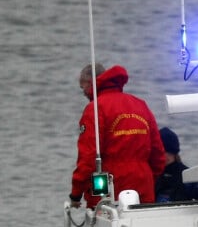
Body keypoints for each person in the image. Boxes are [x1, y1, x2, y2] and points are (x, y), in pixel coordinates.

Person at [70, 63, 167, 209]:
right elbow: (158, 155)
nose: (83, 92)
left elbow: (88, 156)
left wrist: (76, 194)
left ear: (90, 83)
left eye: (82, 86)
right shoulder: (140, 105)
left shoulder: (95, 109)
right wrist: (146, 178)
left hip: (110, 187)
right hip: (143, 184)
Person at [154, 127, 198, 202]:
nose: (156, 154)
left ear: (171, 152)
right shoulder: (152, 175)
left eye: (160, 151)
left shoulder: (187, 176)